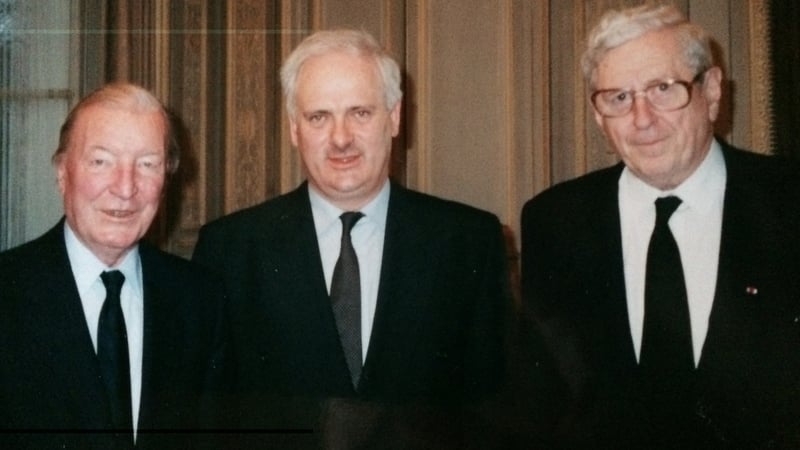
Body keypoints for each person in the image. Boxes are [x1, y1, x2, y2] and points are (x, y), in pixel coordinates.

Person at [193, 29, 509, 448]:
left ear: (394, 117)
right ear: (293, 129)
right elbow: (212, 425)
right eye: (318, 117)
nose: (340, 138)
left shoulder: (469, 242)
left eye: (360, 113)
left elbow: (494, 417)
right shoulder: (230, 250)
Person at [521, 3, 800, 448]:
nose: (642, 119)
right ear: (598, 116)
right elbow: (544, 405)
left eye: (663, 89)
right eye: (618, 98)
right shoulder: (555, 221)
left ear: (711, 92)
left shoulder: (788, 205)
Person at [0, 83, 229, 449]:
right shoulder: (7, 293)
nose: (126, 188)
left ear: (166, 179)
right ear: (62, 172)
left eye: (147, 164)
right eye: (101, 161)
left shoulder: (200, 300)